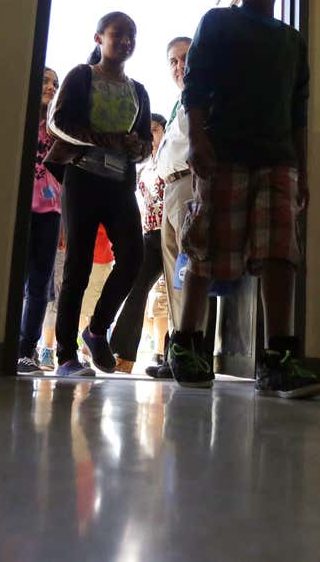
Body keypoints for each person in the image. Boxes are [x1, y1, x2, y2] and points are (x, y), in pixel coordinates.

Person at [166, 0, 320, 400]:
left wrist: (303, 169)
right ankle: (187, 343)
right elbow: (196, 83)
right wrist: (196, 139)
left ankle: (278, 357)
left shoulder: (293, 42)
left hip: (278, 161)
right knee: (208, 244)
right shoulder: (217, 23)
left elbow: (298, 110)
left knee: (280, 251)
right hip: (224, 152)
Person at [46, 12, 155, 378]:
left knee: (134, 257)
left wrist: (137, 147)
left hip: (119, 183)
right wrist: (104, 139)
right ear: (99, 38)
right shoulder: (81, 76)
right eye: (118, 34)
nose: (125, 41)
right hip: (82, 179)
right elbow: (58, 122)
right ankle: (65, 356)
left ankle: (95, 331)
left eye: (131, 36)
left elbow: (143, 144)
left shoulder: (138, 90)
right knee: (77, 266)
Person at [144, 36, 196, 380]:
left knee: (188, 270)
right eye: (173, 62)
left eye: (185, 58)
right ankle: (176, 350)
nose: (179, 67)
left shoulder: (206, 92)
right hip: (170, 190)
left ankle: (190, 348)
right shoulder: (179, 102)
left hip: (192, 184)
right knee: (175, 275)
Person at [104, 113, 170, 372]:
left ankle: (175, 354)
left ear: (163, 131)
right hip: (150, 233)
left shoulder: (171, 158)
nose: (150, 136)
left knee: (177, 295)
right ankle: (123, 355)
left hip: (173, 230)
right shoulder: (144, 166)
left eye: (154, 130)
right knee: (136, 287)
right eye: (147, 132)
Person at [16, 68, 64, 375]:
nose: (50, 87)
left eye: (55, 84)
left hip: (51, 212)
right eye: (45, 80)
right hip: (20, 208)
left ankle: (26, 350)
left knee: (39, 284)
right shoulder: (19, 118)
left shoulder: (59, 126)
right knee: (14, 281)